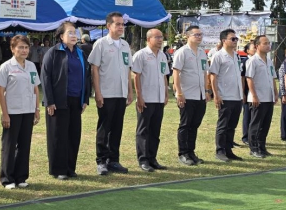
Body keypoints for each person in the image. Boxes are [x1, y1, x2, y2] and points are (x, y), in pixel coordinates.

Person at [41, 21, 90, 179]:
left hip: (76, 100)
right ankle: (59, 170)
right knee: (58, 136)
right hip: (58, 101)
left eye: (75, 32)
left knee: (73, 135)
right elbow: (45, 77)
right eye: (70, 32)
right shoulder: (53, 53)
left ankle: (70, 168)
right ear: (61, 36)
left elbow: (86, 76)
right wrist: (49, 101)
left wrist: (85, 99)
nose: (74, 35)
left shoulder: (80, 53)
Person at [88, 12, 133, 175]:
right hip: (106, 93)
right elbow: (95, 69)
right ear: (109, 26)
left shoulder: (125, 45)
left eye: (122, 24)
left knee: (117, 128)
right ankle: (101, 161)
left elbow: (127, 70)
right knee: (104, 128)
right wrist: (98, 93)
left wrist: (130, 91)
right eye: (118, 24)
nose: (121, 27)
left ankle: (113, 160)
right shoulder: (100, 44)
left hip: (121, 93)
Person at [0, 35, 41, 188]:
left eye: (26, 47)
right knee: (9, 146)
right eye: (20, 47)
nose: (24, 50)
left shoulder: (31, 66)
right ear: (12, 49)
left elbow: (35, 88)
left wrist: (36, 109)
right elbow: (0, 91)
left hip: (28, 110)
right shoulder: (6, 67)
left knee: (24, 145)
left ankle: (21, 177)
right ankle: (7, 178)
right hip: (12, 112)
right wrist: (5, 114)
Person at [131, 29, 171, 172]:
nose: (160, 40)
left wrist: (166, 94)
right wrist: (139, 96)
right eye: (157, 37)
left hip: (159, 98)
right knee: (143, 130)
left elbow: (164, 76)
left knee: (155, 130)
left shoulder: (162, 55)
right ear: (148, 39)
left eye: (161, 37)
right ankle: (143, 160)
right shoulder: (141, 55)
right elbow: (136, 76)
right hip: (146, 98)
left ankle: (152, 158)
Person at [172, 25, 209, 166]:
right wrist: (179, 92)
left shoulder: (202, 53)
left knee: (195, 125)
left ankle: (191, 152)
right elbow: (176, 73)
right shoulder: (182, 52)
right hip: (187, 94)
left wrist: (206, 91)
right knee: (185, 124)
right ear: (188, 36)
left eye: (200, 34)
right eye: (196, 35)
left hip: (200, 95)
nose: (199, 37)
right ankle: (183, 153)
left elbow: (205, 73)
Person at [207, 28, 244, 163]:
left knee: (232, 125)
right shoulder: (218, 56)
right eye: (232, 39)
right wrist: (216, 94)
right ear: (224, 40)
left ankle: (228, 150)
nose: (235, 41)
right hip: (225, 96)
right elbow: (213, 76)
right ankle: (220, 151)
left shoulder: (236, 55)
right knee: (223, 125)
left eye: (236, 39)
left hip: (237, 96)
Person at [245, 35, 279, 158]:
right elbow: (249, 79)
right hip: (258, 98)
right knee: (256, 124)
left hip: (268, 97)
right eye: (265, 43)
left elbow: (272, 78)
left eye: (269, 43)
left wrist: (275, 93)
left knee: (265, 124)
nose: (268, 45)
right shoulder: (253, 61)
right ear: (257, 46)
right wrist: (254, 96)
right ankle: (253, 148)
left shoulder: (269, 61)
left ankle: (262, 147)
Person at [239, 40, 257, 146]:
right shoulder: (245, 61)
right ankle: (245, 136)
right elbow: (242, 78)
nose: (255, 49)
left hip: (257, 92)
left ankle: (254, 136)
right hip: (247, 91)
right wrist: (243, 93)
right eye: (253, 47)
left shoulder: (259, 60)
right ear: (247, 50)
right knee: (247, 115)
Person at [277, 47, 286, 141]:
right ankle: (284, 134)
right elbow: (281, 80)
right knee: (285, 114)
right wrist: (283, 94)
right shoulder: (284, 65)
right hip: (285, 92)